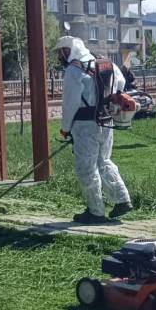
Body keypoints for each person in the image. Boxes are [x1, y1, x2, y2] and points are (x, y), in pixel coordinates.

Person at [57, 36, 133, 224]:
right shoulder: (107, 64)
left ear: (70, 50)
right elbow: (122, 83)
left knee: (87, 168)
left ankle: (96, 212)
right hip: (105, 120)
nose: (60, 56)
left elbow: (70, 103)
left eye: (61, 52)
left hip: (84, 125)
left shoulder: (74, 70)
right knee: (104, 161)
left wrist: (65, 128)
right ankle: (122, 199)